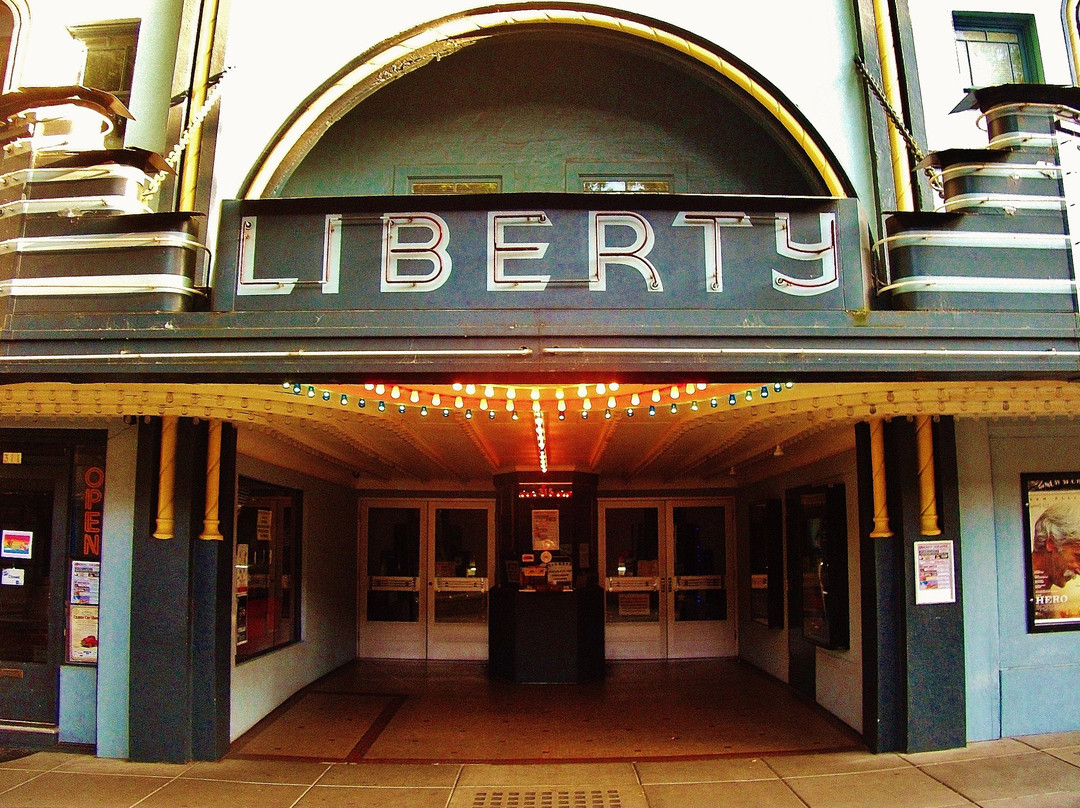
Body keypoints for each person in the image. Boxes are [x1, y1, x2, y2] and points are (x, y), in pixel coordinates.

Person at [1031, 502, 1080, 621]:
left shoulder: (1040, 591)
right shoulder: (1019, 586)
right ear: (1051, 543)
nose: (1079, 570)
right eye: (1078, 557)